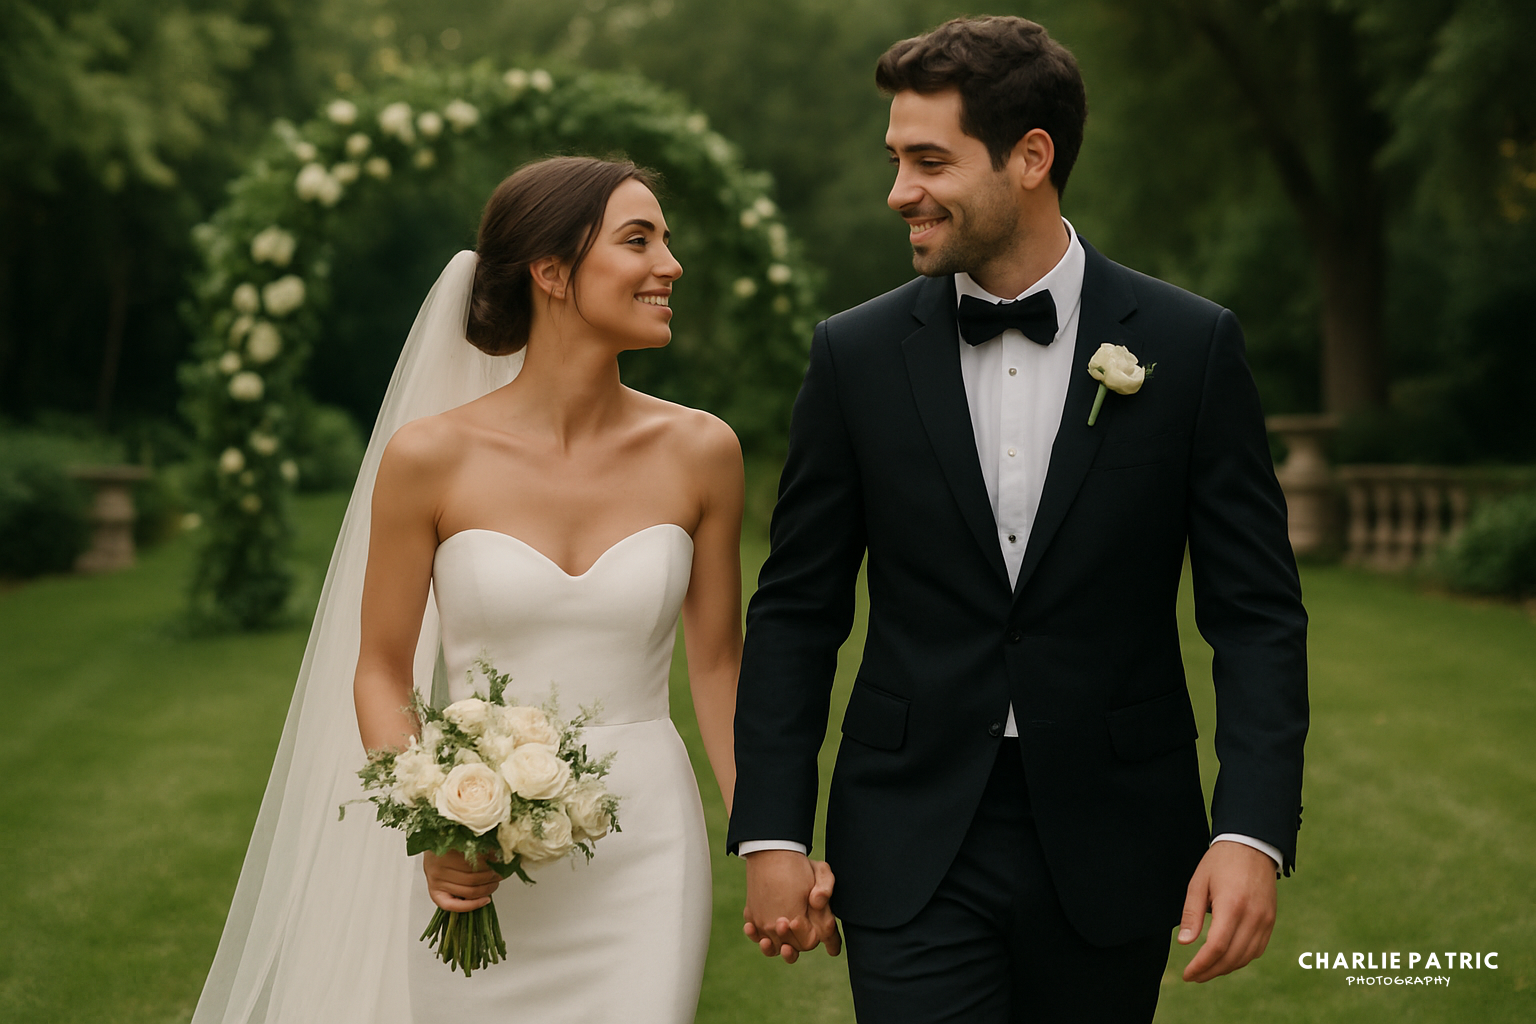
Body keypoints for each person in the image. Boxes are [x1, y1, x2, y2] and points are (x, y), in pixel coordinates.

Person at [729, 16, 1309, 1024]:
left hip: (1117, 835)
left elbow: (1255, 613)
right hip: (910, 834)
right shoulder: (853, 356)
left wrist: (1250, 831)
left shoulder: (1191, 347)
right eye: (896, 157)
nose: (898, 189)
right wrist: (772, 831)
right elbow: (796, 609)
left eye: (928, 159)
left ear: (1031, 157)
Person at [196, 156, 744, 1023]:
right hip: (474, 856)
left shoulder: (703, 451)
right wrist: (437, 821)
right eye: (639, 240)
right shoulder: (429, 458)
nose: (670, 265)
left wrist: (769, 837)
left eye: (666, 241)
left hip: (646, 845)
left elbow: (718, 669)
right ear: (553, 272)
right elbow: (379, 668)